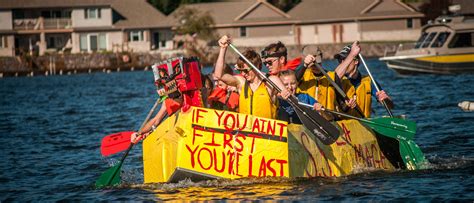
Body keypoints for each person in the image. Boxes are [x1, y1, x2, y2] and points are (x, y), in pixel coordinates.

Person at [214, 35, 290, 119]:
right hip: (245, 131)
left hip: (267, 131)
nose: (243, 74)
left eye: (246, 71)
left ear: (256, 66)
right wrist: (223, 49)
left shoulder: (272, 81)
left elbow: (288, 96)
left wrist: (285, 94)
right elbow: (218, 75)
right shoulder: (241, 83)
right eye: (240, 71)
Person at [296, 43, 360, 112]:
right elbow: (295, 77)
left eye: (318, 63)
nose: (315, 66)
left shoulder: (333, 77)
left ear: (321, 59)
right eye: (312, 65)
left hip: (328, 118)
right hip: (306, 115)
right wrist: (305, 65)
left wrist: (348, 105)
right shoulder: (301, 75)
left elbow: (343, 106)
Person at [334, 44, 394, 118]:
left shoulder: (369, 81)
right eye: (340, 60)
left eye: (345, 59)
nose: (342, 63)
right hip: (344, 125)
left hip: (365, 125)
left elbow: (390, 106)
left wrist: (386, 100)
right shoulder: (337, 81)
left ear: (356, 61)